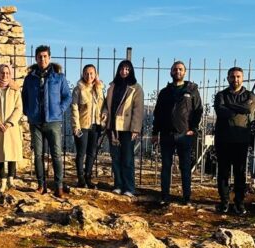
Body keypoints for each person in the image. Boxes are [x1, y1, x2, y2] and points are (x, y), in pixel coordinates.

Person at [22, 45, 71, 197]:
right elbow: (24, 97)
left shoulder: (59, 77)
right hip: (35, 121)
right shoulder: (30, 78)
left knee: (56, 154)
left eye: (45, 56)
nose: (42, 59)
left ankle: (58, 186)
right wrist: (28, 112)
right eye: (39, 57)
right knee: (38, 154)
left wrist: (59, 109)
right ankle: (41, 185)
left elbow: (67, 97)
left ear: (49, 58)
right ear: (36, 58)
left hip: (53, 121)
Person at [152, 60, 202, 205]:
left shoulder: (192, 90)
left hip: (184, 134)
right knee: (166, 167)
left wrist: (193, 128)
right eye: (175, 69)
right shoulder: (164, 92)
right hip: (167, 134)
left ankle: (186, 197)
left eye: (180, 69)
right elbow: (158, 113)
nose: (177, 71)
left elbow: (198, 110)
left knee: (185, 167)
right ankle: (164, 196)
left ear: (184, 72)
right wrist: (155, 132)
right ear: (171, 72)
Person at [213, 66, 255, 214]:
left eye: (238, 76)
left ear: (242, 78)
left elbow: (248, 109)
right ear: (228, 78)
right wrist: (240, 108)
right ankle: (224, 201)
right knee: (223, 173)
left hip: (241, 140)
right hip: (223, 139)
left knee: (240, 173)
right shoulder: (221, 95)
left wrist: (230, 106)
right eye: (232, 76)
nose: (235, 79)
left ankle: (239, 202)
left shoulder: (250, 95)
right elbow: (221, 111)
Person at [102, 59, 145, 197]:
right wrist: (104, 113)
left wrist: (135, 128)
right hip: (113, 127)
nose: (124, 71)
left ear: (131, 71)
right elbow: (106, 104)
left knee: (127, 159)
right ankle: (118, 185)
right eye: (122, 69)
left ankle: (129, 187)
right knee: (115, 158)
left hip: (127, 128)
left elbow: (138, 110)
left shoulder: (136, 88)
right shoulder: (112, 86)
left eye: (127, 69)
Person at [0, 63, 23, 194]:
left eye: (7, 73)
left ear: (10, 74)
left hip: (10, 127)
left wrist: (10, 122)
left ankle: (11, 179)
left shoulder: (15, 89)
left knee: (12, 152)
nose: (5, 75)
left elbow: (19, 108)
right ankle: (2, 180)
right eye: (2, 73)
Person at [71, 64, 105, 188]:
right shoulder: (78, 89)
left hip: (96, 125)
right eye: (86, 73)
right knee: (81, 152)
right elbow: (74, 108)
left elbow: (104, 105)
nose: (89, 76)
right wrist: (76, 126)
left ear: (95, 75)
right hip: (82, 125)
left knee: (92, 152)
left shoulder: (99, 89)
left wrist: (104, 115)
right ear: (83, 74)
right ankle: (81, 179)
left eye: (91, 73)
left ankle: (88, 177)